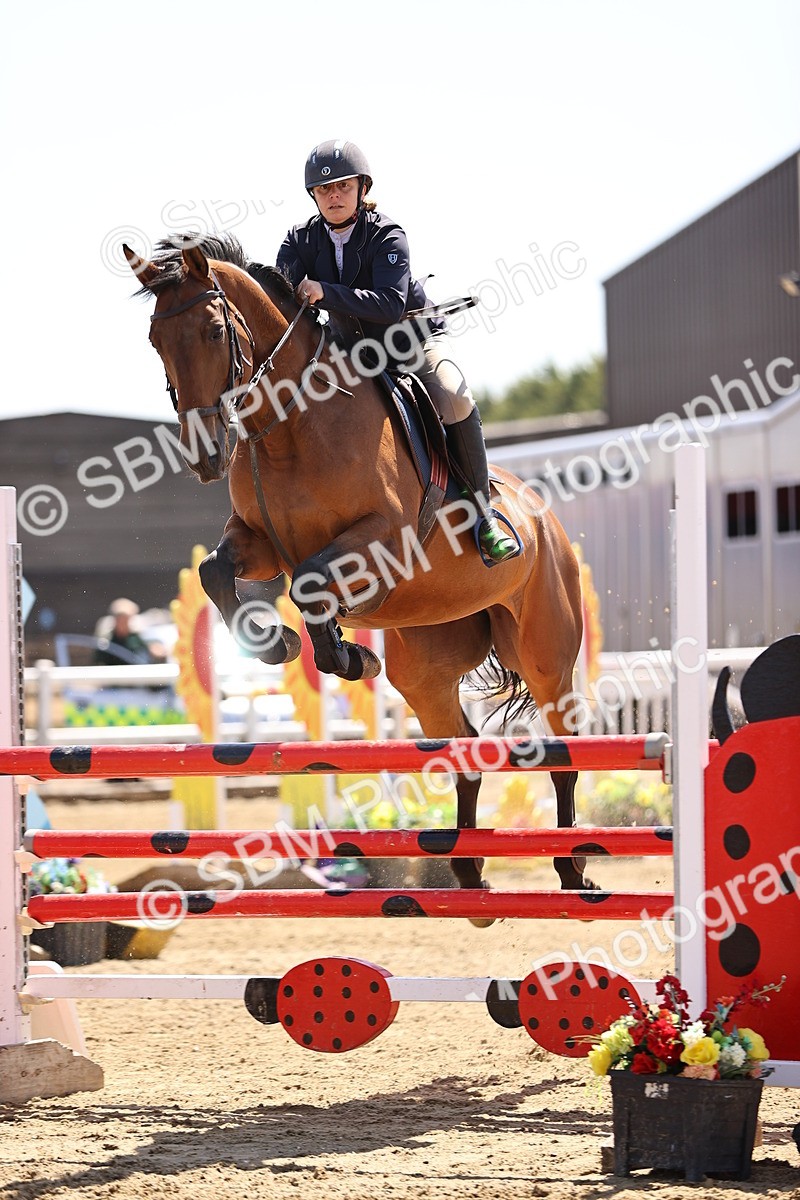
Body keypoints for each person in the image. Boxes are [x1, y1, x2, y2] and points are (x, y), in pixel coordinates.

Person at [276, 139, 519, 565]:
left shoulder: (388, 234)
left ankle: (485, 516)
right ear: (313, 196)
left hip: (407, 341)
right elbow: (282, 303)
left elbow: (389, 303)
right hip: (350, 352)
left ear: (362, 188)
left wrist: (324, 291)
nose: (334, 196)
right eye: (324, 190)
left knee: (453, 395)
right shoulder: (298, 241)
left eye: (343, 187)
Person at [92, 598, 154, 666]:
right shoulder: (106, 640)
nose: (122, 622)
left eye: (126, 619)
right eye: (120, 618)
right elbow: (98, 661)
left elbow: (143, 660)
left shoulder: (136, 640)